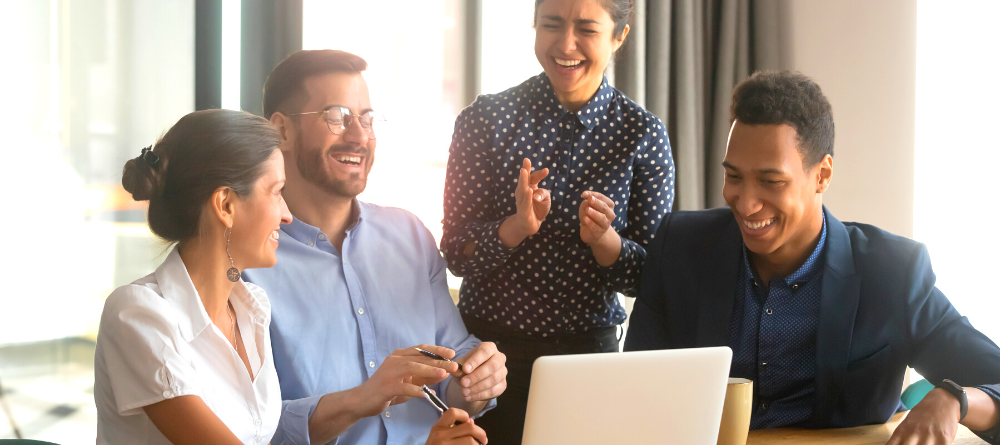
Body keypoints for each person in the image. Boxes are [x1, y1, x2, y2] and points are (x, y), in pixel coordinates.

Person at [624, 70, 1000, 444]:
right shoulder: (680, 248)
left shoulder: (893, 272)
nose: (747, 202)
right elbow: (631, 394)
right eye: (734, 176)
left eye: (771, 181)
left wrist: (957, 399)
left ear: (822, 175)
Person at [440, 0, 675, 442]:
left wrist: (605, 241)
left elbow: (650, 275)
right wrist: (515, 228)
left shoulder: (643, 134)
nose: (565, 44)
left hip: (588, 359)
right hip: (486, 359)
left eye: (586, 29)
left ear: (618, 37)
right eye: (551, 24)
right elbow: (455, 253)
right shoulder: (484, 120)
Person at [241, 49, 503, 445]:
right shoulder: (245, 264)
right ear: (282, 131)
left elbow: (454, 357)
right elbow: (249, 426)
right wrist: (363, 398)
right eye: (336, 116)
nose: (359, 135)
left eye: (366, 118)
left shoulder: (412, 236)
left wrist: (476, 377)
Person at [95, 109, 291, 444]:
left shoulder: (252, 309)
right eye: (277, 192)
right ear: (226, 205)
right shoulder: (138, 313)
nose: (287, 215)